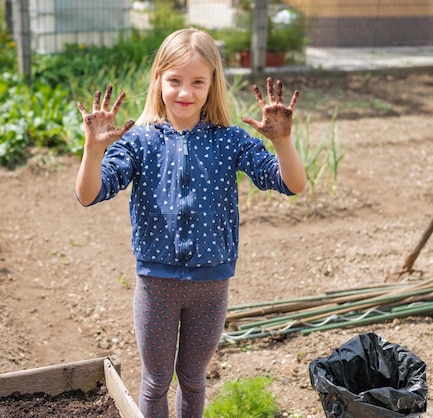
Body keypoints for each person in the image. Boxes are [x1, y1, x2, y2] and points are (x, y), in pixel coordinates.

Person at [75, 27, 306, 418]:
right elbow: (88, 194)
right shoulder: (139, 141)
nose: (185, 92)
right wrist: (93, 149)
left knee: (194, 379)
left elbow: (290, 184)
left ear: (212, 84)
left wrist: (282, 142)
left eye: (197, 81)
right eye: (175, 80)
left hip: (211, 285)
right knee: (155, 382)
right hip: (156, 286)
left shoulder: (230, 140)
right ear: (158, 81)